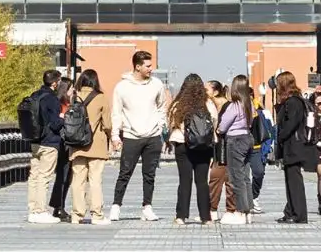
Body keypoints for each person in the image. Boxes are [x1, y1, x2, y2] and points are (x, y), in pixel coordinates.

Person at [109, 50, 168, 222]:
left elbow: (162, 106)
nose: (152, 69)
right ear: (137, 66)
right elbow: (116, 113)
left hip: (153, 136)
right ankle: (116, 206)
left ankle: (147, 207)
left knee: (149, 175)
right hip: (131, 136)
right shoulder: (122, 87)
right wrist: (115, 135)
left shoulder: (156, 84)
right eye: (148, 66)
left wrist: (161, 124)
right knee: (124, 173)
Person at [166, 73, 214, 225]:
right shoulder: (207, 103)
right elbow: (214, 121)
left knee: (185, 181)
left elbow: (170, 122)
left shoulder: (178, 104)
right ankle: (206, 217)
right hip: (203, 147)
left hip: (183, 145)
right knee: (202, 182)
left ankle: (181, 216)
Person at [68, 69, 112, 225]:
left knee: (77, 181)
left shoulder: (74, 97)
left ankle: (76, 215)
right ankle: (97, 215)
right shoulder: (101, 98)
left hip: (77, 145)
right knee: (95, 181)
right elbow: (107, 124)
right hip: (96, 146)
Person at [273, 71, 314, 224]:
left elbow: (290, 124)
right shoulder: (292, 101)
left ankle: (299, 214)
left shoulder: (293, 102)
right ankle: (290, 210)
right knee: (290, 179)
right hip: (292, 146)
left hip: (294, 146)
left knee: (294, 180)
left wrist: (281, 135)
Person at [27, 69, 67, 223]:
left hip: (34, 141)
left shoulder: (34, 96)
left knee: (34, 176)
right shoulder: (52, 99)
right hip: (49, 142)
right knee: (45, 176)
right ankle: (41, 210)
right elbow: (55, 124)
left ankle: (32, 209)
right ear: (55, 83)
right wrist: (63, 118)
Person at [216, 75, 255, 225]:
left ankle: (240, 211)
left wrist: (219, 130)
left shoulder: (234, 105)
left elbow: (224, 124)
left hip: (235, 140)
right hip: (247, 137)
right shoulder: (249, 104)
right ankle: (248, 211)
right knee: (245, 176)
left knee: (235, 177)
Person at [205, 80, 235, 219]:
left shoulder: (228, 106)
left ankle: (229, 210)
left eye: (207, 90)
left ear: (215, 92)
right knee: (217, 178)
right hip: (218, 148)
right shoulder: (211, 106)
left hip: (228, 148)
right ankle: (213, 210)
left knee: (221, 178)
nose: (204, 93)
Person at [48, 77, 74, 221]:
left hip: (66, 144)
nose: (73, 90)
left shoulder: (67, 104)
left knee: (65, 177)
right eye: (71, 88)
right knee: (63, 177)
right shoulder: (61, 105)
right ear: (65, 90)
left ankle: (58, 206)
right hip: (62, 144)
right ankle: (59, 207)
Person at [249, 95, 273, 214]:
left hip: (256, 147)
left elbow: (269, 130)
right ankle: (244, 201)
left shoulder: (261, 112)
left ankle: (254, 196)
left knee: (259, 172)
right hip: (240, 146)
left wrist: (267, 147)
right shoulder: (236, 109)